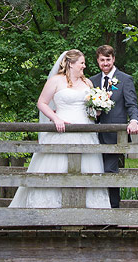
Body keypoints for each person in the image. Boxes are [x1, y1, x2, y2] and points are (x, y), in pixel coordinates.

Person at [9, 49, 111, 209]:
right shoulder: (56, 81)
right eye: (81, 63)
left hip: (85, 132)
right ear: (71, 64)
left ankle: (86, 208)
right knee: (58, 166)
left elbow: (91, 112)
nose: (84, 66)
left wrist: (100, 106)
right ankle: (49, 207)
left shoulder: (88, 83)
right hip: (62, 129)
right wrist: (56, 118)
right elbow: (42, 102)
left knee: (86, 168)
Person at [90, 44, 138, 208]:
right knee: (94, 171)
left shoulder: (125, 79)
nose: (105, 63)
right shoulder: (92, 81)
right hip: (93, 135)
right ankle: (96, 207)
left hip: (114, 136)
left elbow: (132, 105)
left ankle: (113, 210)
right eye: (102, 60)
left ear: (113, 59)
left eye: (108, 59)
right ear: (98, 61)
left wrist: (134, 121)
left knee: (110, 171)